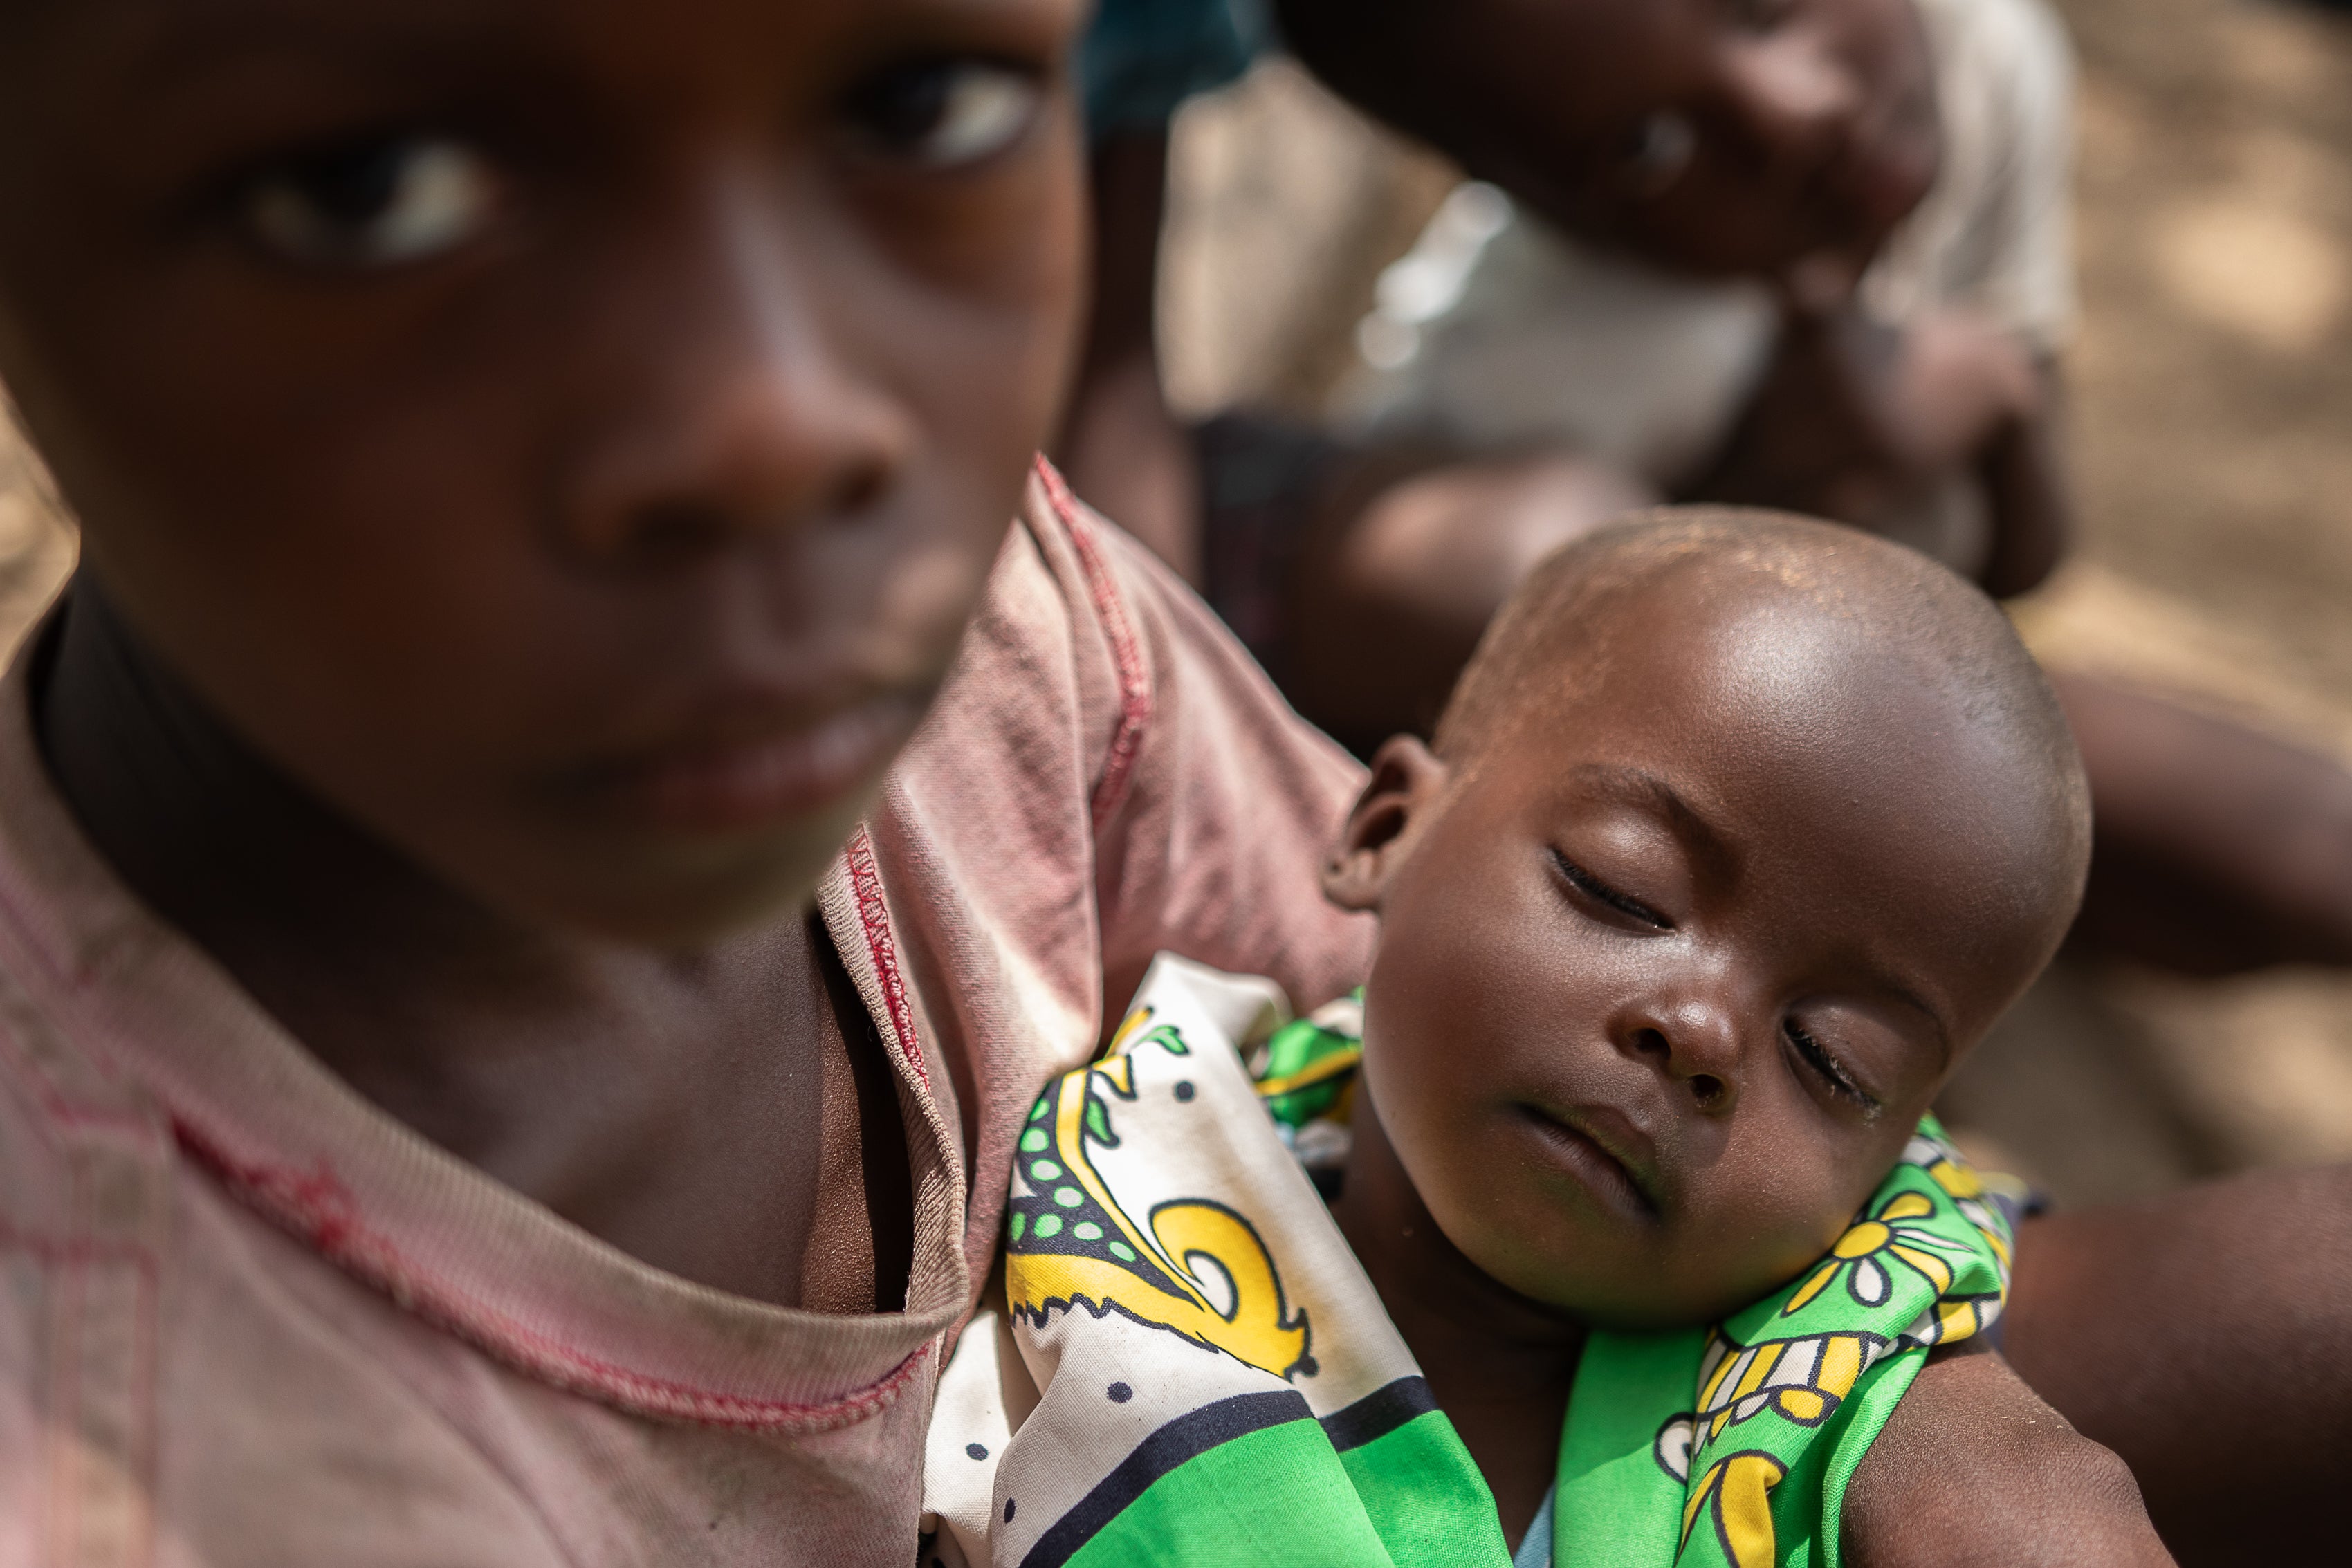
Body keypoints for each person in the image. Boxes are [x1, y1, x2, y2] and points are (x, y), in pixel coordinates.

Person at [0, 2, 1369, 1562]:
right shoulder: (135, 1460)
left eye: (920, 102)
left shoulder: (997, 655)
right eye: (365, 188)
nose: (769, 423)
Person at [926, 513, 2169, 1566]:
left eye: (1833, 1059)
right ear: (1386, 831)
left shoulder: (1833, 1408)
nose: (1703, 1034)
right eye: (1621, 889)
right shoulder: (1105, 1197)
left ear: (1896, 1154)